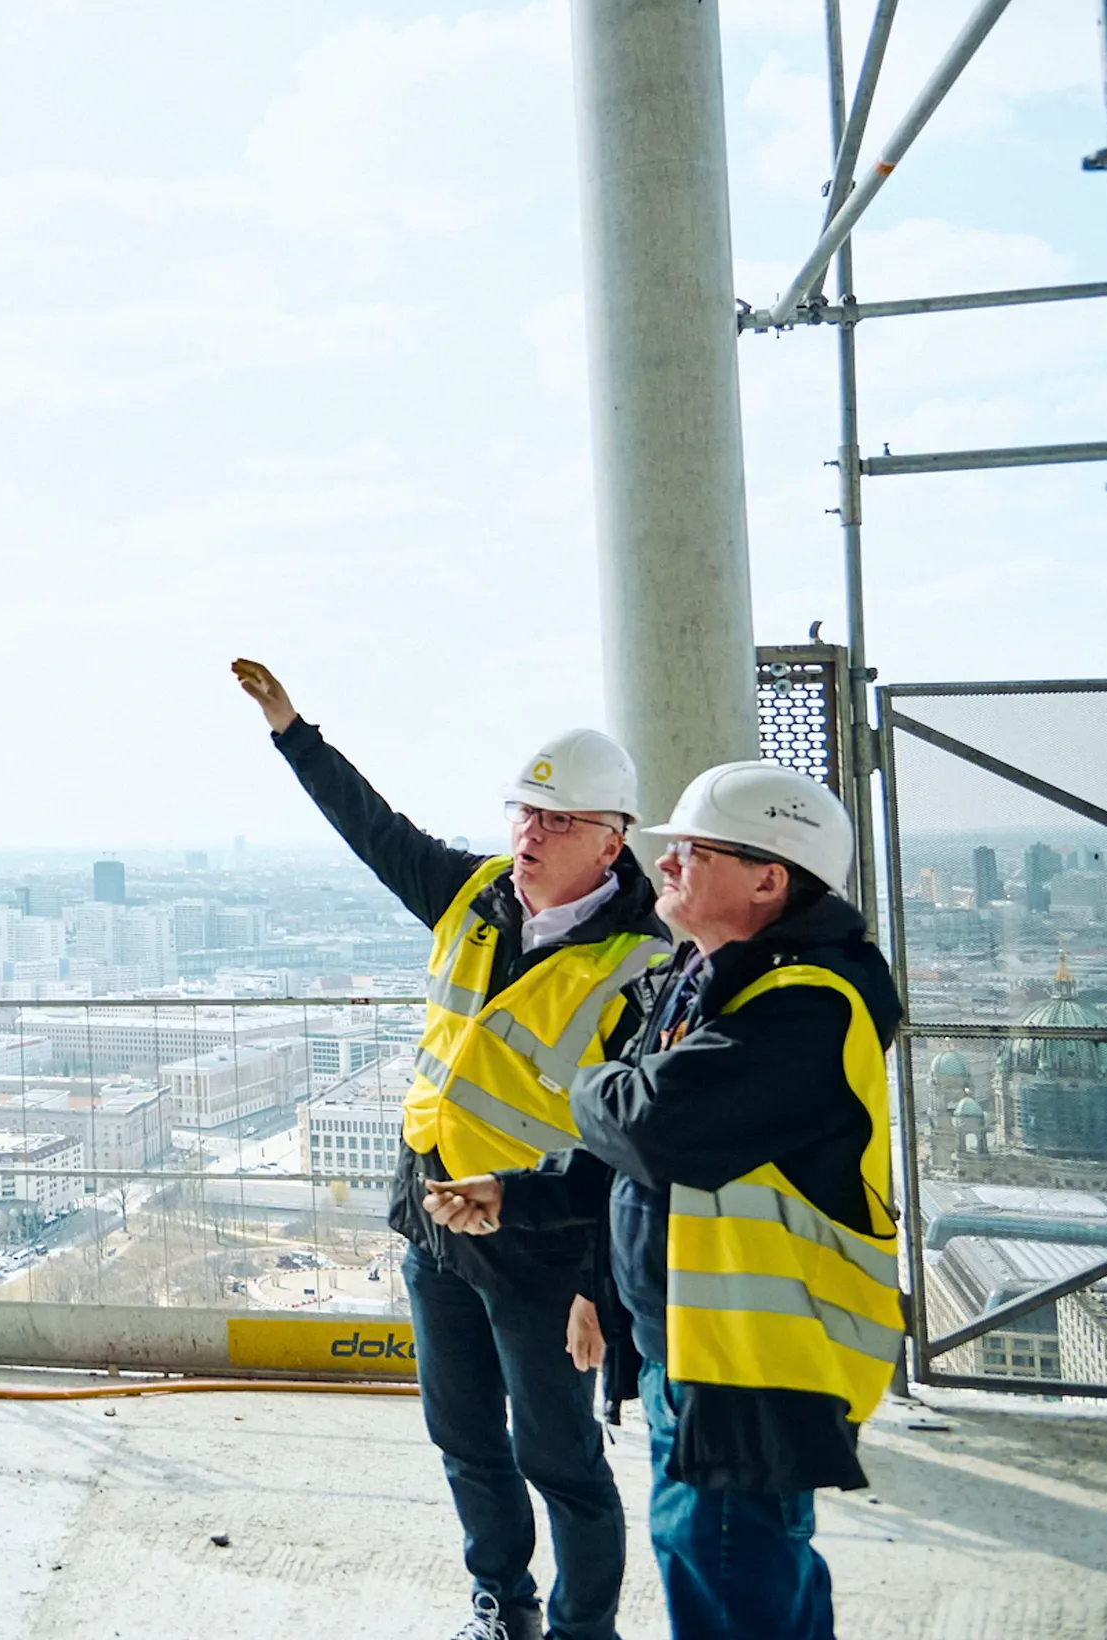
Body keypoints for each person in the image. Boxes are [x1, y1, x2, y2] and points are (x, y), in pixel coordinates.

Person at [232, 658, 672, 1640]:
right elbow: (373, 829)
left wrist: (596, 1288)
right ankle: (502, 1605)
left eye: (556, 820)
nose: (529, 834)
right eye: (523, 812)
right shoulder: (473, 894)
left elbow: (635, 1149)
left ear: (611, 840)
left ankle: (582, 1630)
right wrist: (292, 730)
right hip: (436, 1222)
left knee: (559, 1459)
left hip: (544, 1251)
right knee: (464, 1437)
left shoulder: (643, 964)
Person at [425, 762, 904, 1640]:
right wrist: (519, 1193)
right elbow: (646, 1158)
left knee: (732, 1587)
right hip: (696, 1350)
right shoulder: (712, 976)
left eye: (695, 850)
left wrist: (583, 1082)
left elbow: (648, 1128)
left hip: (758, 1364)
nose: (669, 863)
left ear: (769, 880)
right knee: (739, 1577)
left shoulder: (808, 1006)